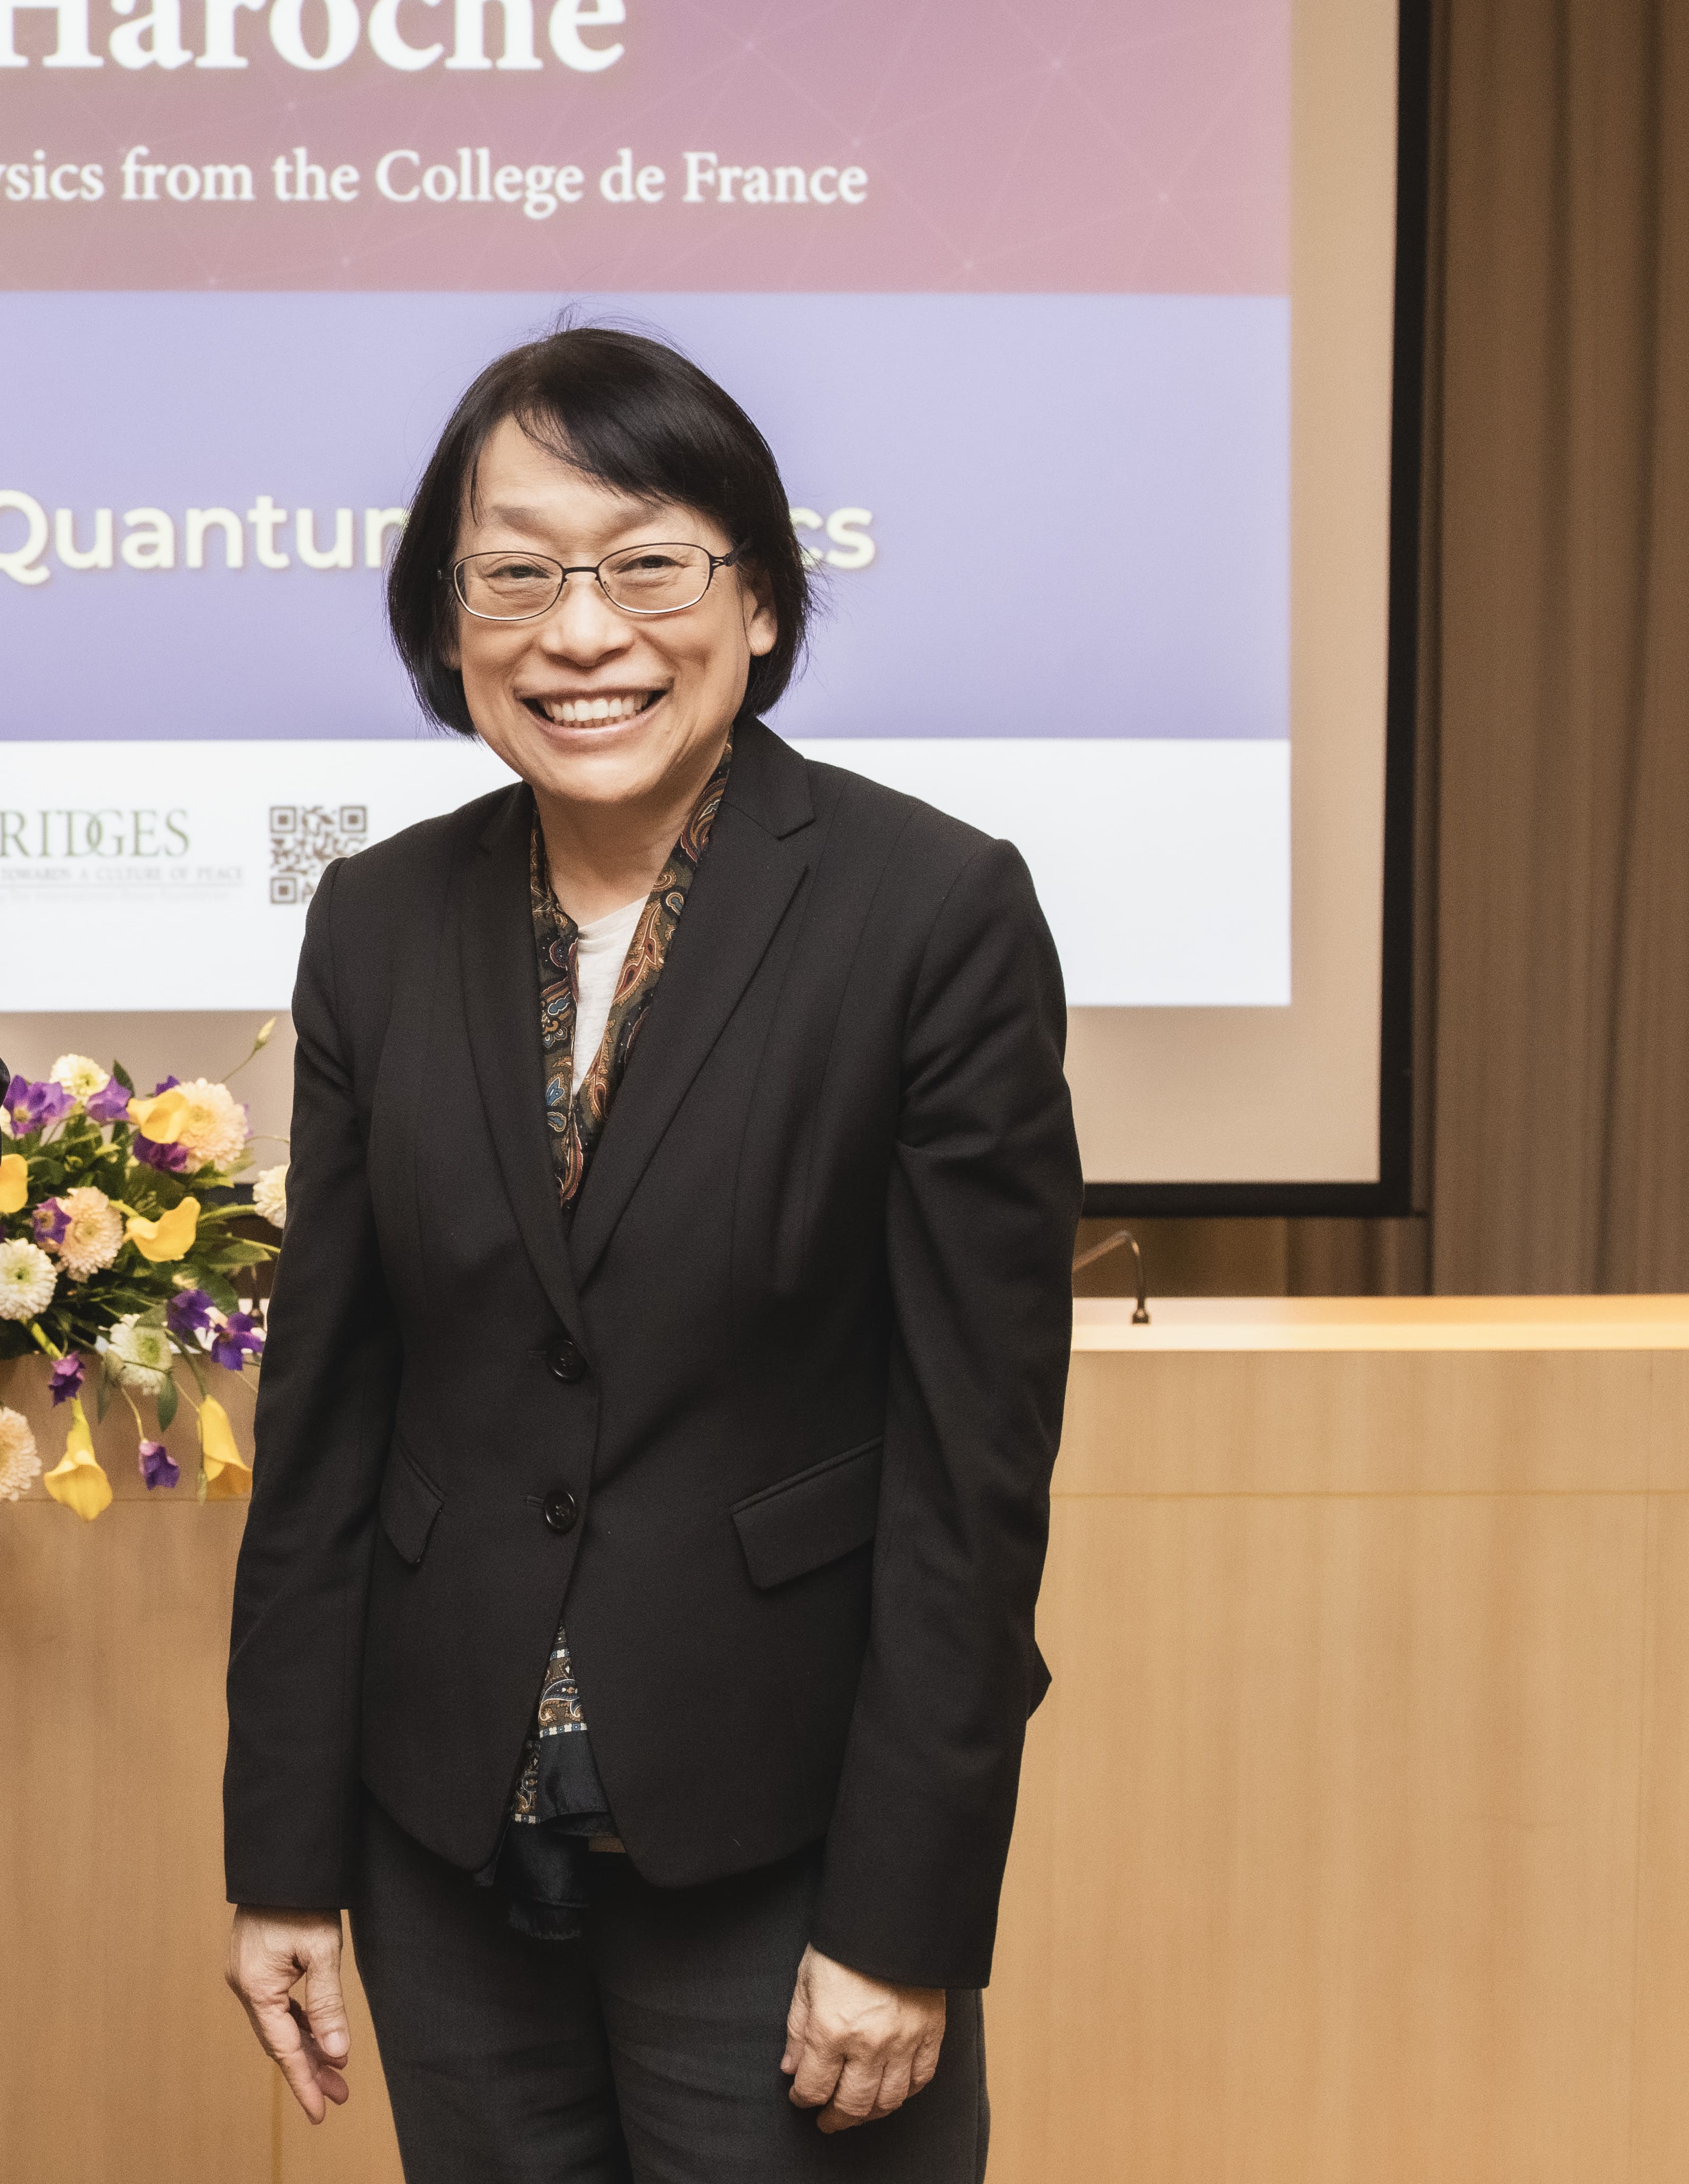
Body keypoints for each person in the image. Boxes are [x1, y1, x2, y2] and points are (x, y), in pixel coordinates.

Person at [219, 328, 1079, 2180]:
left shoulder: (931, 915)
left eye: (648, 563)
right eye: (515, 572)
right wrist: (281, 1857)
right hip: (445, 1849)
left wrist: (903, 1915)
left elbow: (971, 1478)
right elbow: (327, 1430)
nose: (578, 629)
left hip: (781, 1858)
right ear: (449, 625)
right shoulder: (379, 924)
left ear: (757, 599)